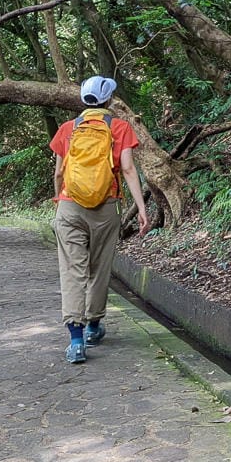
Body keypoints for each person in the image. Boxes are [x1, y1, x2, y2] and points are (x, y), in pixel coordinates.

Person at [50, 75, 150, 363]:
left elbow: (58, 174)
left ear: (83, 100)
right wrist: (141, 208)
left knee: (73, 270)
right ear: (109, 101)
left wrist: (60, 201)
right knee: (99, 268)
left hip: (69, 207)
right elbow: (129, 170)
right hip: (106, 209)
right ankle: (94, 326)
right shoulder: (119, 127)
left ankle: (76, 341)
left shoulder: (67, 129)